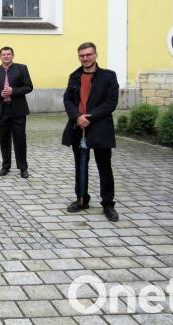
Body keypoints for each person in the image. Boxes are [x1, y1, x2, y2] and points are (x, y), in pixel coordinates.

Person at [62, 42, 120, 221]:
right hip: (78, 128)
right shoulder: (74, 76)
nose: (85, 58)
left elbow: (110, 103)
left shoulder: (108, 77)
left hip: (100, 128)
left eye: (88, 55)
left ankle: (108, 204)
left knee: (104, 167)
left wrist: (89, 117)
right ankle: (81, 200)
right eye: (82, 55)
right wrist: (77, 117)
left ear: (96, 55)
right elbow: (68, 100)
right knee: (80, 166)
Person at [0, 46, 33, 178]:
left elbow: (29, 87)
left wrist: (14, 91)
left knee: (20, 139)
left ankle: (23, 168)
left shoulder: (22, 69)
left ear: (13, 55)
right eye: (4, 54)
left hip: (18, 109)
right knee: (4, 139)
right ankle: (5, 166)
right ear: (0, 56)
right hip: (1, 110)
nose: (6, 56)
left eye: (8, 54)